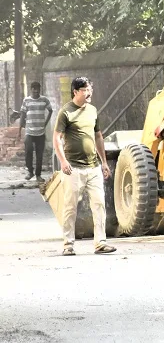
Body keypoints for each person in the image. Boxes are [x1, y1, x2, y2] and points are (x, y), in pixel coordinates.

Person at [54, 77, 116, 256]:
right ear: (75, 92)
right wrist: (63, 161)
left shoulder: (93, 111)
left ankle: (100, 242)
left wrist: (104, 162)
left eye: (90, 89)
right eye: (85, 90)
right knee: (70, 207)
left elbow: (98, 137)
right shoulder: (66, 112)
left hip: (93, 167)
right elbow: (57, 138)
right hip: (73, 168)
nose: (89, 93)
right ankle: (68, 244)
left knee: (99, 204)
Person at [18, 81, 53, 182]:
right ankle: (30, 171)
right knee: (28, 150)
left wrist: (45, 123)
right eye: (34, 90)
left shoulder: (44, 100)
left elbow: (50, 110)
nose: (36, 92)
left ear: (39, 90)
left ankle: (38, 175)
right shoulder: (26, 100)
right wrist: (19, 131)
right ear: (31, 90)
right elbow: (22, 115)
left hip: (40, 132)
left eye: (38, 90)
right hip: (29, 132)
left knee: (39, 154)